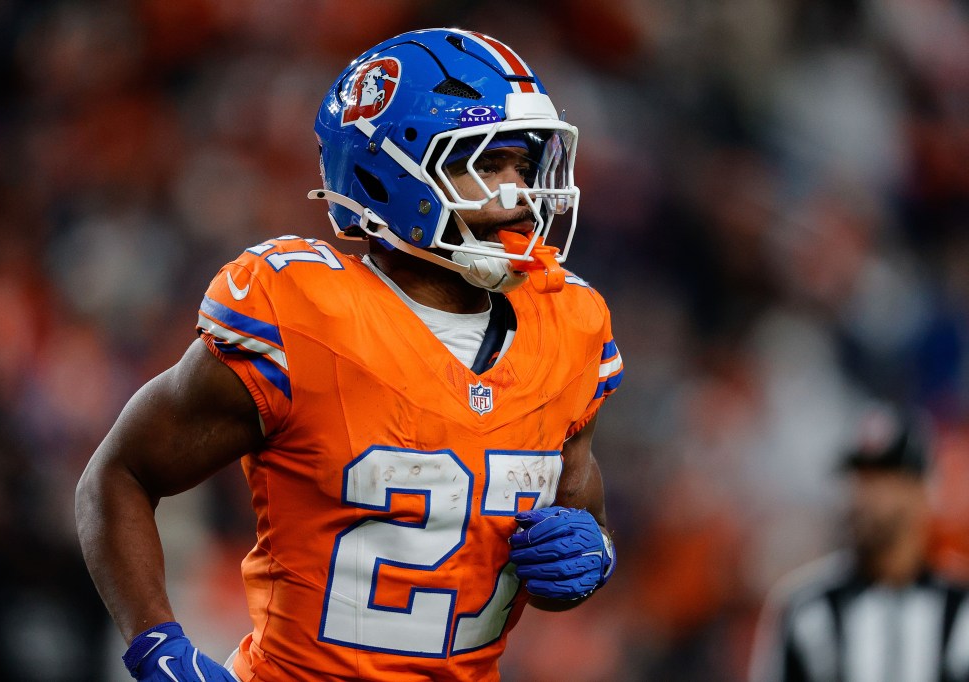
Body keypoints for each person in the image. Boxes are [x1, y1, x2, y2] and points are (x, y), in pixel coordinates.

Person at [75, 27, 623, 682]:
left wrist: (597, 553)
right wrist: (156, 646)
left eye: (524, 167)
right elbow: (118, 476)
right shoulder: (303, 312)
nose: (517, 194)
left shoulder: (570, 324)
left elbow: (576, 505)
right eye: (483, 164)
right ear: (389, 173)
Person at [748, 406, 969, 682]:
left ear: (921, 492)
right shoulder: (807, 608)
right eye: (858, 480)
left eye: (882, 479)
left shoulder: (961, 609)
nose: (864, 497)